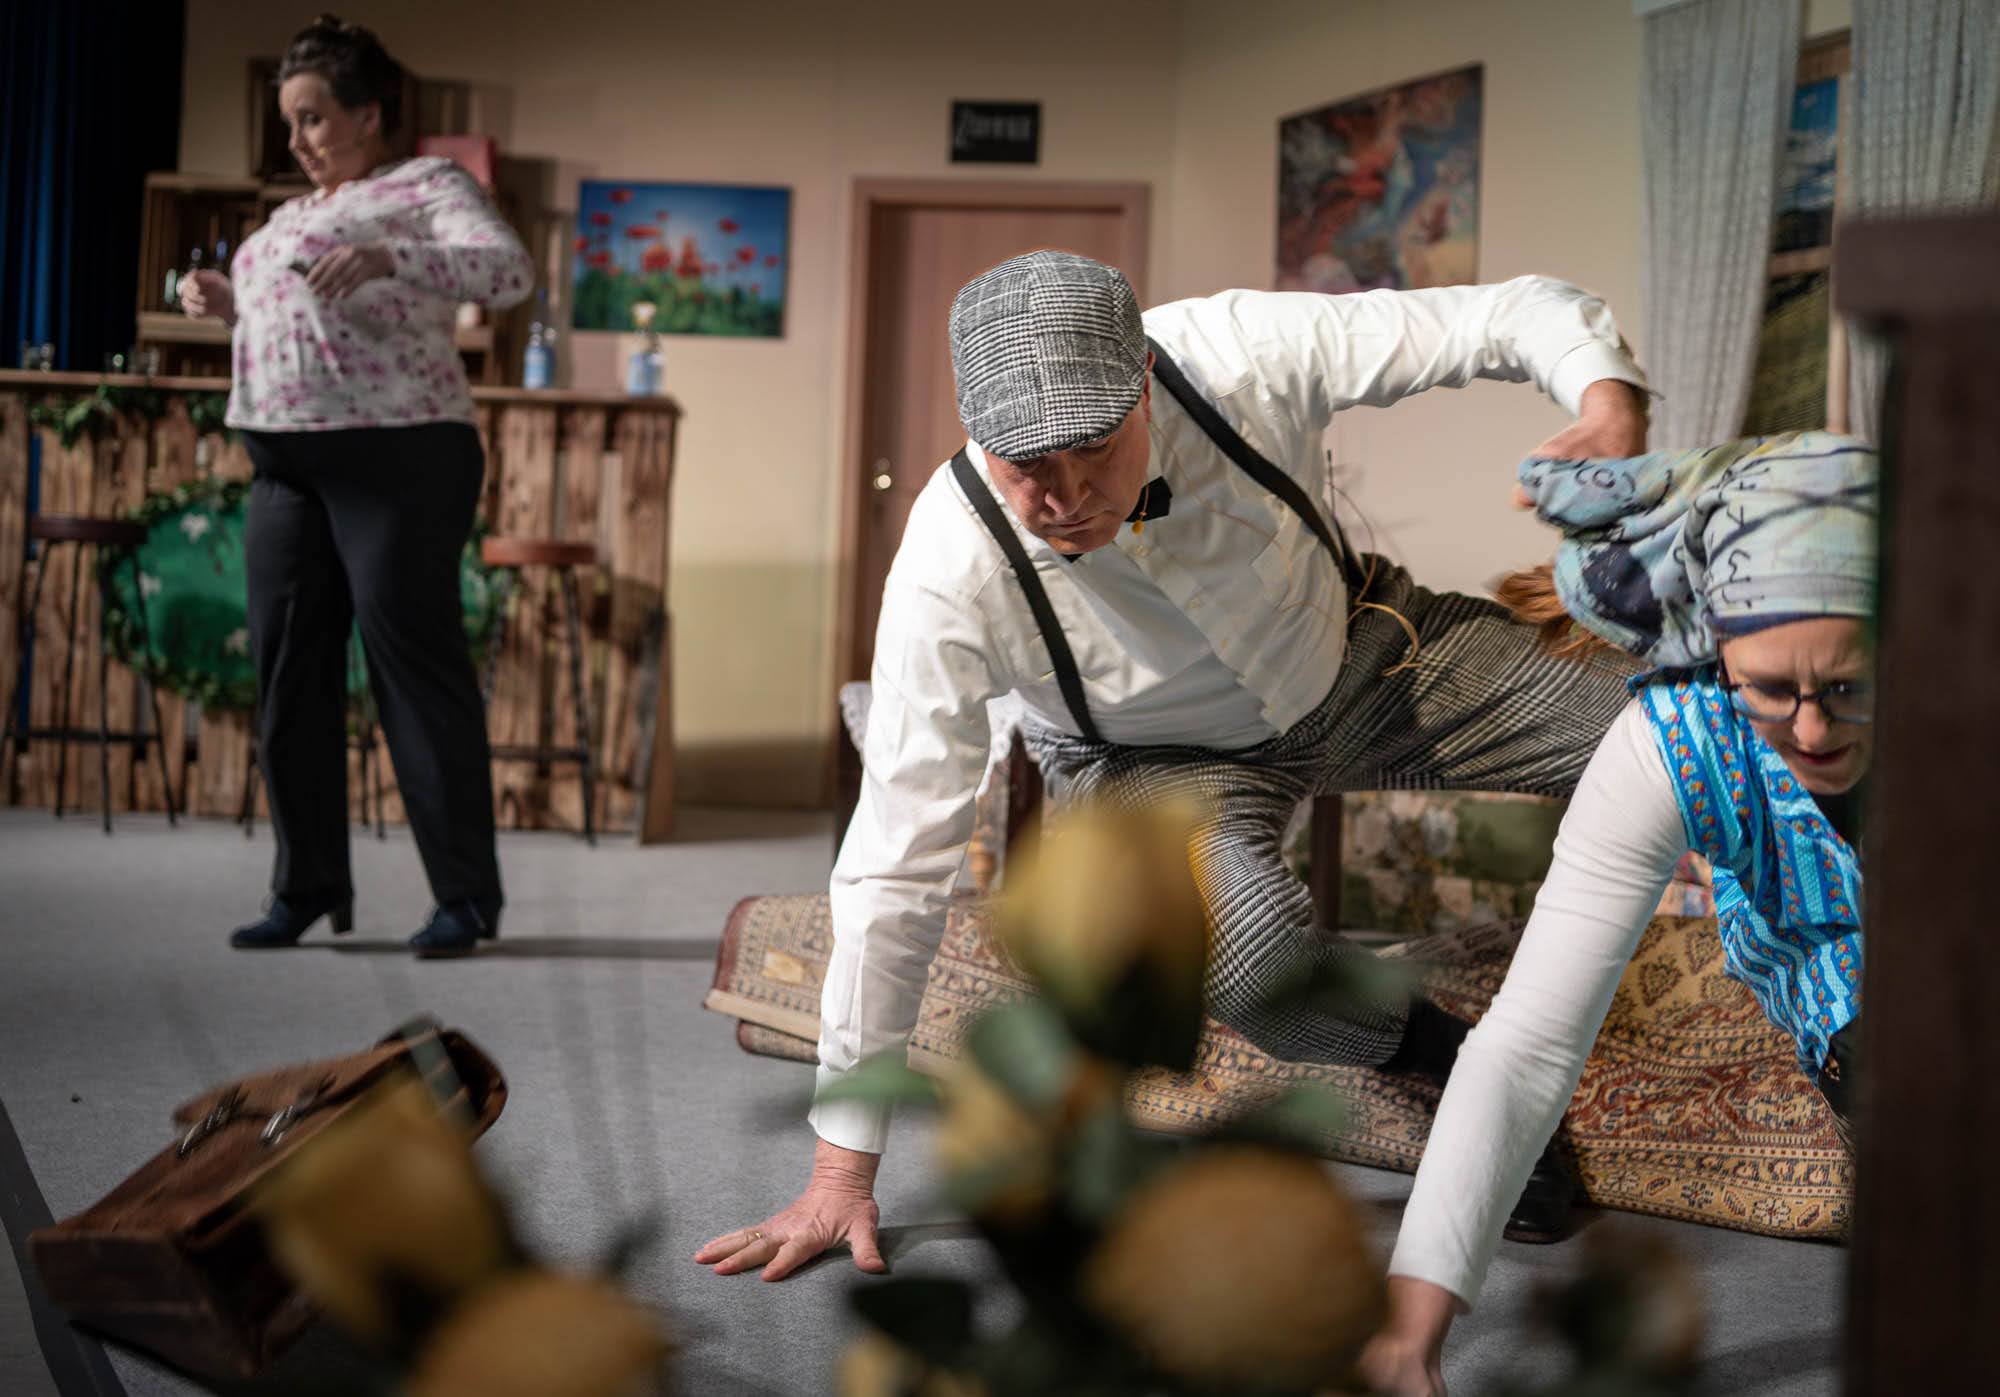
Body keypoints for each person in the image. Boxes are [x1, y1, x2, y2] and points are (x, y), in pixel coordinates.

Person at [696, 250, 1652, 1281]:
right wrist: (840, 1172)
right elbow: (894, 867)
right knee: (1250, 971)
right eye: (1026, 465)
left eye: (1094, 448)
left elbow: (1510, 313)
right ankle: (1450, 1063)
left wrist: (1604, 404)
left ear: (1144, 379)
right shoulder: (947, 570)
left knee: (1676, 740)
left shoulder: (1238, 352)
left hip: (1362, 654)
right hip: (1148, 761)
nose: (1066, 497)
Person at [1359, 431, 1876, 1396]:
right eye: (1772, 689)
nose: (1811, 728)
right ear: (1716, 650)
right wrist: (1407, 1335)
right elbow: (1527, 1044)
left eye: (1848, 687)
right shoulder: (1676, 737)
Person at [178, 15, 532, 957]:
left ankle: (463, 898)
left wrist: (391, 253)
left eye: (314, 117)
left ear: (369, 114)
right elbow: (301, 319)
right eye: (289, 122)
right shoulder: (289, 218)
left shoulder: (427, 187)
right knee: (288, 677)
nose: (297, 139)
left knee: (412, 674)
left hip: (399, 456)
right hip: (285, 462)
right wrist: (230, 306)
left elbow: (508, 270)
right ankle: (305, 886)